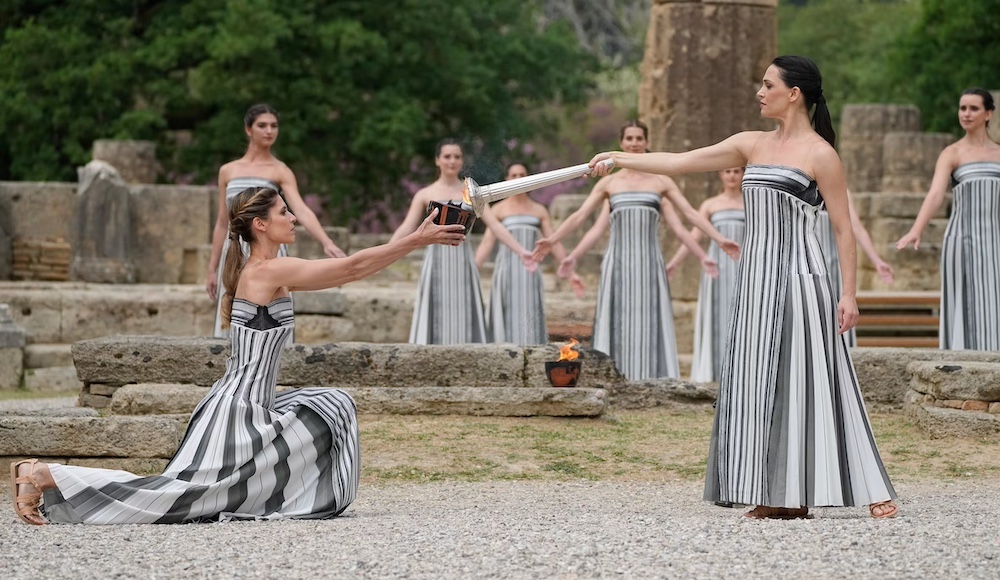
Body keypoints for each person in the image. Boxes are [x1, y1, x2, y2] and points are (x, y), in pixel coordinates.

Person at [11, 186, 467, 525]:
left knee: (333, 405)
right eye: (285, 213)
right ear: (261, 225)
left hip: (252, 406)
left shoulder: (265, 268)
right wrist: (414, 242)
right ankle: (42, 473)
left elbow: (351, 267)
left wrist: (413, 241)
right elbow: (348, 268)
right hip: (236, 412)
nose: (294, 218)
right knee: (171, 498)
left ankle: (281, 499)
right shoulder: (266, 270)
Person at [588, 56, 898, 519]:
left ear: (794, 93)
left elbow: (843, 230)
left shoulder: (820, 155)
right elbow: (680, 162)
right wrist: (618, 160)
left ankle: (874, 488)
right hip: (754, 283)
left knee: (819, 380)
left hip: (800, 279)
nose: (759, 91)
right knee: (757, 385)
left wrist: (848, 293)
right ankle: (778, 497)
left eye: (767, 84)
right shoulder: (750, 144)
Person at [535, 120, 739, 381]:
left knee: (649, 318)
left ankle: (651, 378)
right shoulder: (609, 184)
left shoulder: (661, 181)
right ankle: (612, 376)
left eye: (639, 138)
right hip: (617, 261)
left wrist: (719, 240)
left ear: (646, 142)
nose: (634, 143)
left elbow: (689, 214)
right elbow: (580, 216)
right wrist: (552, 240)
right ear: (621, 143)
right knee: (617, 316)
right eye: (629, 138)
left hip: (649, 262)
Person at [206, 104, 347, 339]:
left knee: (274, 314)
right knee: (234, 318)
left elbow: (300, 209)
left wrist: (327, 242)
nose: (269, 131)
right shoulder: (227, 171)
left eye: (274, 125)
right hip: (235, 252)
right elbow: (222, 222)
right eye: (262, 125)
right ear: (248, 129)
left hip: (269, 248)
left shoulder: (280, 170)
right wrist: (211, 269)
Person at [392, 139, 536, 345]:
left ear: (461, 161)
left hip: (462, 258)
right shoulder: (424, 194)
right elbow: (407, 227)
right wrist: (386, 251)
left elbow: (495, 227)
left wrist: (522, 251)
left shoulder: (472, 194)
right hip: (436, 260)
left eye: (457, 157)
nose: (452, 161)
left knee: (464, 309)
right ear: (437, 160)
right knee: (437, 309)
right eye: (447, 156)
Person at [897, 88, 1000, 351]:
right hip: (961, 239)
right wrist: (916, 230)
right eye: (962, 108)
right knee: (964, 301)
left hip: (995, 240)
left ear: (988, 113)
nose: (966, 114)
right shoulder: (952, 153)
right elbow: (935, 195)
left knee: (994, 302)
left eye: (973, 108)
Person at [475, 162, 585, 344]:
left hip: (530, 272)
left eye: (522, 175)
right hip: (507, 270)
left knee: (529, 313)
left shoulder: (538, 210)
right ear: (507, 179)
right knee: (507, 311)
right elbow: (487, 242)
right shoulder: (498, 209)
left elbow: (553, 242)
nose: (518, 179)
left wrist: (571, 272)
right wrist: (474, 269)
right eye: (514, 175)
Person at [665, 167, 747, 383]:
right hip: (717, 268)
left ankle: (742, 370)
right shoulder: (710, 205)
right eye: (727, 171)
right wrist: (673, 263)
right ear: (721, 174)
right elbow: (695, 235)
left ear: (743, 174)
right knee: (717, 315)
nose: (731, 175)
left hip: (745, 267)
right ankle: (714, 371)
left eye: (736, 171)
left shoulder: (751, 202)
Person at [815, 190, 895, 347]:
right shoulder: (793, 183)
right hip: (803, 264)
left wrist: (877, 261)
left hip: (834, 269)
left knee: (836, 316)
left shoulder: (840, 190)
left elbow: (856, 228)